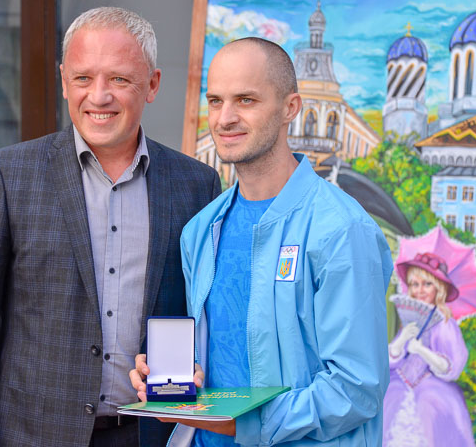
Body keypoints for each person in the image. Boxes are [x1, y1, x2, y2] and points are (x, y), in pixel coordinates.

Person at [0, 7, 221, 447]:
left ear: (153, 85)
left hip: (148, 435)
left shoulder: (197, 185)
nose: (99, 96)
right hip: (32, 437)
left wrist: (197, 370)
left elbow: (201, 319)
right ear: (64, 80)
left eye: (119, 79)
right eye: (84, 78)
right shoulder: (7, 177)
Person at [130, 37, 393, 445]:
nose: (225, 118)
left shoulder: (341, 230)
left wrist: (245, 423)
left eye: (246, 100)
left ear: (291, 107)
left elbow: (357, 389)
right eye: (215, 101)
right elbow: (216, 363)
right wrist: (172, 380)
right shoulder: (200, 231)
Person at [383, 252, 475, 446]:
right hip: (400, 382)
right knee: (387, 402)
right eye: (414, 284)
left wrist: (423, 351)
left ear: (439, 289)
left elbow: (451, 366)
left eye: (427, 284)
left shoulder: (445, 324)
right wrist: (403, 340)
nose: (420, 290)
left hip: (432, 385)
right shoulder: (409, 320)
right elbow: (391, 360)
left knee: (431, 405)